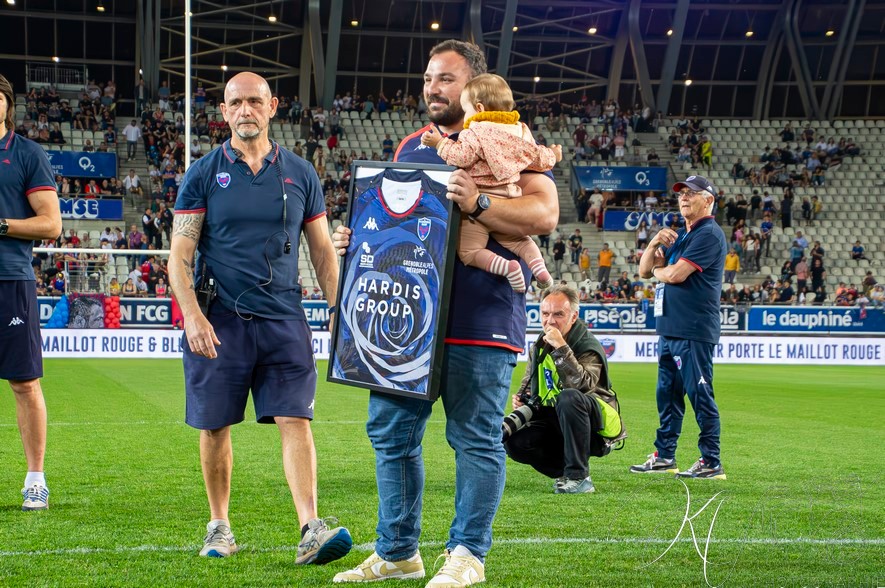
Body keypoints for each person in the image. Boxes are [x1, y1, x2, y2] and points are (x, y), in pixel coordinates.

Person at [331, 40, 558, 586]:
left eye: (446, 79)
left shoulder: (510, 136)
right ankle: (397, 552)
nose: (433, 88)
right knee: (391, 435)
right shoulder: (412, 145)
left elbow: (544, 212)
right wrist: (357, 236)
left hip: (482, 318)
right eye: (429, 78)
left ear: (475, 86)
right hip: (409, 320)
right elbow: (394, 216)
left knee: (475, 438)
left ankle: (466, 556)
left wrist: (479, 204)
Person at [168, 72, 352, 563]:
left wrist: (338, 310)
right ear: (224, 112)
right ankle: (219, 526)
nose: (245, 110)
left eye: (254, 101)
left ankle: (310, 528)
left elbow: (321, 253)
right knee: (214, 426)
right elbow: (180, 254)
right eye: (235, 103)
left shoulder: (301, 173)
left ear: (273, 107)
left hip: (285, 318)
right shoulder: (204, 173)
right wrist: (191, 315)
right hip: (219, 320)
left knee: (297, 419)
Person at [420, 73, 560, 292]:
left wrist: (440, 144)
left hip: (480, 196)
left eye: (466, 110)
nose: (466, 116)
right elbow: (538, 159)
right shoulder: (521, 130)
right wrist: (554, 156)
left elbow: (461, 157)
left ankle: (507, 268)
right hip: (510, 194)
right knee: (520, 242)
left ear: (479, 108)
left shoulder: (475, 130)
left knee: (468, 251)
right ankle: (539, 267)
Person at [630, 175, 727, 480]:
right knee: (667, 395)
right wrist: (655, 242)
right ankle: (665, 456)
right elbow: (644, 271)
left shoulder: (708, 234)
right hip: (671, 328)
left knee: (699, 394)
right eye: (681, 194)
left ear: (708, 200)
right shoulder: (683, 236)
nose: (684, 198)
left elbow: (674, 275)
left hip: (693, 328)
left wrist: (661, 268)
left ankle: (711, 461)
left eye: (692, 193)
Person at [0, 74, 63, 511]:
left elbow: (51, 223)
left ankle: (35, 479)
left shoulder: (25, 154)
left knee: (24, 383)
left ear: (6, 104)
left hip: (10, 280)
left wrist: (2, 225)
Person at [504, 285, 625, 494]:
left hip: (597, 429)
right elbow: (529, 387)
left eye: (559, 314)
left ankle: (579, 477)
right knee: (515, 443)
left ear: (574, 316)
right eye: (545, 313)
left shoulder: (587, 345)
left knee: (569, 397)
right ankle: (565, 471)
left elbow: (583, 387)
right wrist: (523, 400)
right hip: (559, 422)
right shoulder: (539, 345)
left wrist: (561, 348)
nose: (550, 320)